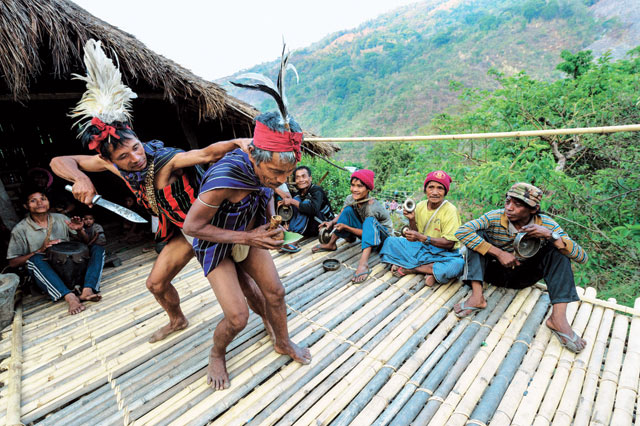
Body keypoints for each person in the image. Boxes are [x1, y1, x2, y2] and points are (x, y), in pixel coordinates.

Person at [50, 39, 271, 343]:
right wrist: (80, 178)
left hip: (212, 227)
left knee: (244, 284)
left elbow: (206, 154)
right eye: (124, 156)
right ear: (109, 160)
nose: (135, 158)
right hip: (182, 231)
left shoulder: (166, 162)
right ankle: (177, 319)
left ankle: (271, 328)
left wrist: (236, 143)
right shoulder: (112, 165)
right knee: (155, 284)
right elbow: (60, 161)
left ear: (139, 140)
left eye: (136, 148)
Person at [183, 111, 312, 390]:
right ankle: (217, 353)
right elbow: (192, 226)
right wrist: (247, 237)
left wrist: (268, 224)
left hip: (249, 232)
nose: (281, 180)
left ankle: (282, 341)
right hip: (214, 242)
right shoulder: (225, 177)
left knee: (275, 292)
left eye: (286, 174)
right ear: (253, 156)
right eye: (276, 173)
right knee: (237, 317)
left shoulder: (271, 170)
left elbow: (265, 191)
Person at [454, 182, 589, 353]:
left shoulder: (546, 224)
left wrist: (550, 235)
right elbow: (461, 232)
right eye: (508, 202)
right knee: (476, 236)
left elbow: (582, 257)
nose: (509, 208)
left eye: (517, 205)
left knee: (559, 250)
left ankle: (558, 319)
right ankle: (477, 296)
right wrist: (499, 253)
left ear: (533, 209)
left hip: (523, 276)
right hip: (492, 272)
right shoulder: (495, 217)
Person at [6, 188, 104, 314]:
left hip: (72, 266)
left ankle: (87, 289)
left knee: (97, 248)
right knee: (34, 260)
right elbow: (13, 263)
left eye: (43, 198)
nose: (40, 203)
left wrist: (80, 230)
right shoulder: (20, 230)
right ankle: (70, 297)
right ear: (26, 206)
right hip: (49, 273)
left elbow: (85, 243)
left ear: (48, 201)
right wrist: (39, 250)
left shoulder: (61, 218)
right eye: (33, 200)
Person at [380, 170, 465, 287]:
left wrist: (424, 238)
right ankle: (431, 271)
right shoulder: (420, 206)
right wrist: (411, 219)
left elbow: (449, 244)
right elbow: (415, 237)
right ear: (425, 190)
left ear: (445, 191)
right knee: (390, 242)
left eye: (440, 188)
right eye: (431, 187)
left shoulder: (450, 210)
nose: (435, 192)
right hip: (422, 249)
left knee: (457, 265)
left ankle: (411, 269)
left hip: (443, 254)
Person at [313, 169, 393, 283]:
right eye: (353, 185)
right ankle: (331, 244)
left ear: (368, 189)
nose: (355, 189)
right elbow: (342, 213)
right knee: (347, 210)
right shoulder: (351, 198)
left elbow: (368, 231)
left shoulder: (372, 207)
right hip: (367, 234)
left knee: (369, 221)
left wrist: (347, 228)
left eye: (359, 186)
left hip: (384, 241)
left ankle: (363, 264)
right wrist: (332, 222)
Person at [277, 165, 334, 239]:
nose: (301, 180)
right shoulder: (299, 193)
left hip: (322, 223)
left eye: (303, 176)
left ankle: (295, 234)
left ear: (310, 178)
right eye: (297, 177)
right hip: (309, 225)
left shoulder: (317, 191)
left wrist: (292, 201)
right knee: (296, 200)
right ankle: (290, 229)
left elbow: (313, 209)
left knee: (304, 202)